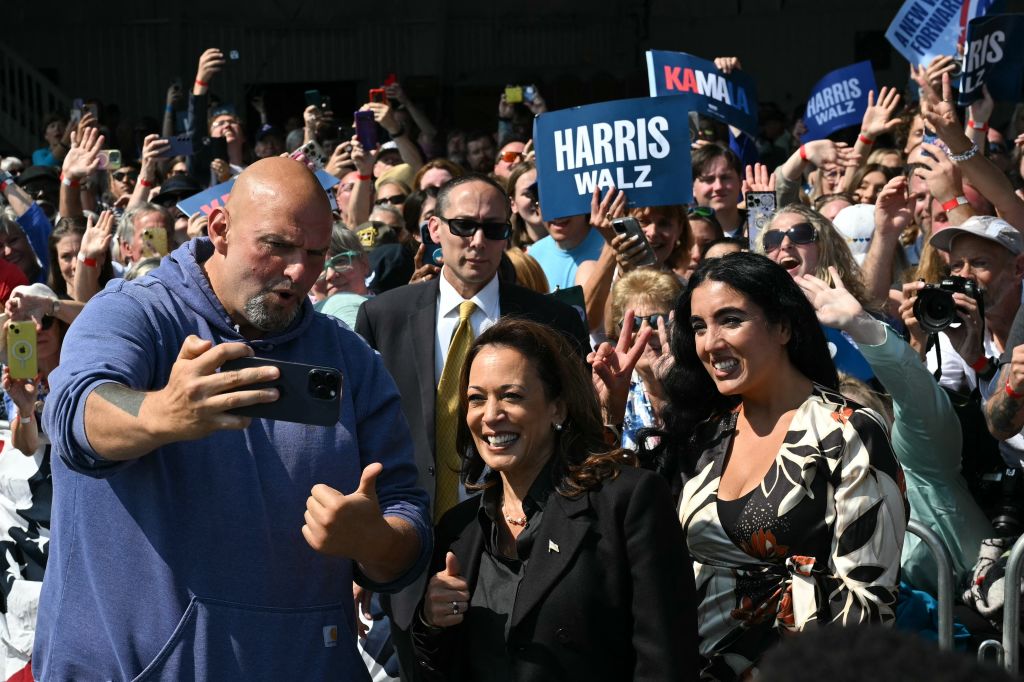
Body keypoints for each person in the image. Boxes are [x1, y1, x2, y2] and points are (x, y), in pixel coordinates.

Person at [34, 157, 431, 679]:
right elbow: (75, 414)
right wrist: (160, 413)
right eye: (278, 246)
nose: (299, 272)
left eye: (315, 253)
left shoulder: (350, 359)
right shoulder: (136, 313)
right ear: (220, 229)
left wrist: (374, 540)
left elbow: (406, 517)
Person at [354, 173, 589, 678]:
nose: (478, 241)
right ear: (434, 228)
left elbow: (577, 432)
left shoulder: (554, 321)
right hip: (409, 546)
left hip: (522, 545)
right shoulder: (383, 316)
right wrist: (362, 549)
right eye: (463, 226)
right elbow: (361, 435)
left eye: (494, 228)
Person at [661, 252, 906, 680]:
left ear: (784, 326)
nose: (710, 342)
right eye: (699, 326)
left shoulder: (846, 432)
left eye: (730, 320)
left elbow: (869, 604)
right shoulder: (707, 434)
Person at [414, 318, 699, 680]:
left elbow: (666, 662)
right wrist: (431, 620)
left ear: (558, 408)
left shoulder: (626, 503)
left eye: (512, 395)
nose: (490, 415)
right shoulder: (459, 530)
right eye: (476, 399)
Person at [799, 269, 990, 596]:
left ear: (884, 420)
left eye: (861, 424)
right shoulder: (816, 492)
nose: (848, 440)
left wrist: (859, 325)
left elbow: (914, 390)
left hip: (969, 627)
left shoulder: (920, 460)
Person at [316, 225, 373, 328]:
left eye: (340, 261)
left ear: (364, 263)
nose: (330, 275)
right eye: (319, 268)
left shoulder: (390, 308)